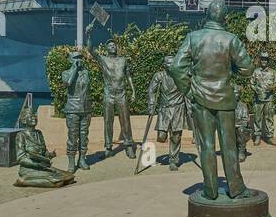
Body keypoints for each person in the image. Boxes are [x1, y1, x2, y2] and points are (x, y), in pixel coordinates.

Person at [170, 0, 257, 201]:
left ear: (207, 15)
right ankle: (236, 188)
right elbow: (248, 69)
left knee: (207, 145)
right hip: (225, 98)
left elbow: (176, 67)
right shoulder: (231, 39)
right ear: (224, 18)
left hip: (200, 98)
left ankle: (210, 190)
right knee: (229, 145)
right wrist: (231, 69)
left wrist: (189, 90)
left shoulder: (193, 38)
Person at [85, 22, 137, 158]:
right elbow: (90, 49)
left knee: (125, 120)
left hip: (121, 93)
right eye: (110, 45)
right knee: (108, 121)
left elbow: (128, 76)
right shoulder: (103, 59)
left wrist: (133, 91)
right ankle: (108, 147)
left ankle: (128, 145)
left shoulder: (123, 60)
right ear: (106, 48)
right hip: (109, 93)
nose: (113, 47)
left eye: (114, 45)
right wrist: (88, 34)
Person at [12, 103, 76, 188]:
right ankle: (23, 181)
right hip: (29, 169)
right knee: (57, 182)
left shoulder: (39, 133)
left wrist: (49, 155)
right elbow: (21, 158)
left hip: (43, 166)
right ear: (24, 121)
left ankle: (34, 178)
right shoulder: (21, 135)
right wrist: (36, 165)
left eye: (35, 116)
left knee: (70, 177)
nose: (34, 118)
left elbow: (44, 151)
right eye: (30, 116)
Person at [147, 54, 191, 170]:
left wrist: (190, 108)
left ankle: (173, 160)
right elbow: (151, 90)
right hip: (164, 109)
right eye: (168, 63)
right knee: (161, 137)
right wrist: (151, 104)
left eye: (172, 63)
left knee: (176, 136)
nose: (170, 65)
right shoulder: (159, 76)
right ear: (164, 65)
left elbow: (187, 91)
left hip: (178, 108)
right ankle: (168, 149)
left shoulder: (181, 76)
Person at [59, 48, 91, 171]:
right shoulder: (66, 73)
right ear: (70, 60)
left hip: (85, 109)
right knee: (72, 137)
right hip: (72, 109)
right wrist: (74, 69)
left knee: (84, 136)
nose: (79, 60)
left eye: (81, 57)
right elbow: (67, 83)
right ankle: (71, 162)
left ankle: (82, 159)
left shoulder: (86, 73)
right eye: (76, 58)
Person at [249, 52, 276, 145]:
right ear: (260, 61)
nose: (264, 61)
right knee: (257, 118)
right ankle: (257, 136)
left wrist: (272, 87)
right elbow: (251, 83)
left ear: (268, 61)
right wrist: (255, 89)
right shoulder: (256, 71)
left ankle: (270, 137)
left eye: (265, 59)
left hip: (269, 99)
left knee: (269, 118)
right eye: (262, 59)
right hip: (258, 99)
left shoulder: (273, 72)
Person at [233, 84, 252, 164]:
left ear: (239, 95)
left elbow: (245, 121)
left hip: (240, 128)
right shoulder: (228, 106)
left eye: (237, 93)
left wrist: (235, 125)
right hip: (231, 127)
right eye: (233, 93)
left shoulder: (243, 106)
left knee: (240, 130)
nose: (235, 95)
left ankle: (241, 151)